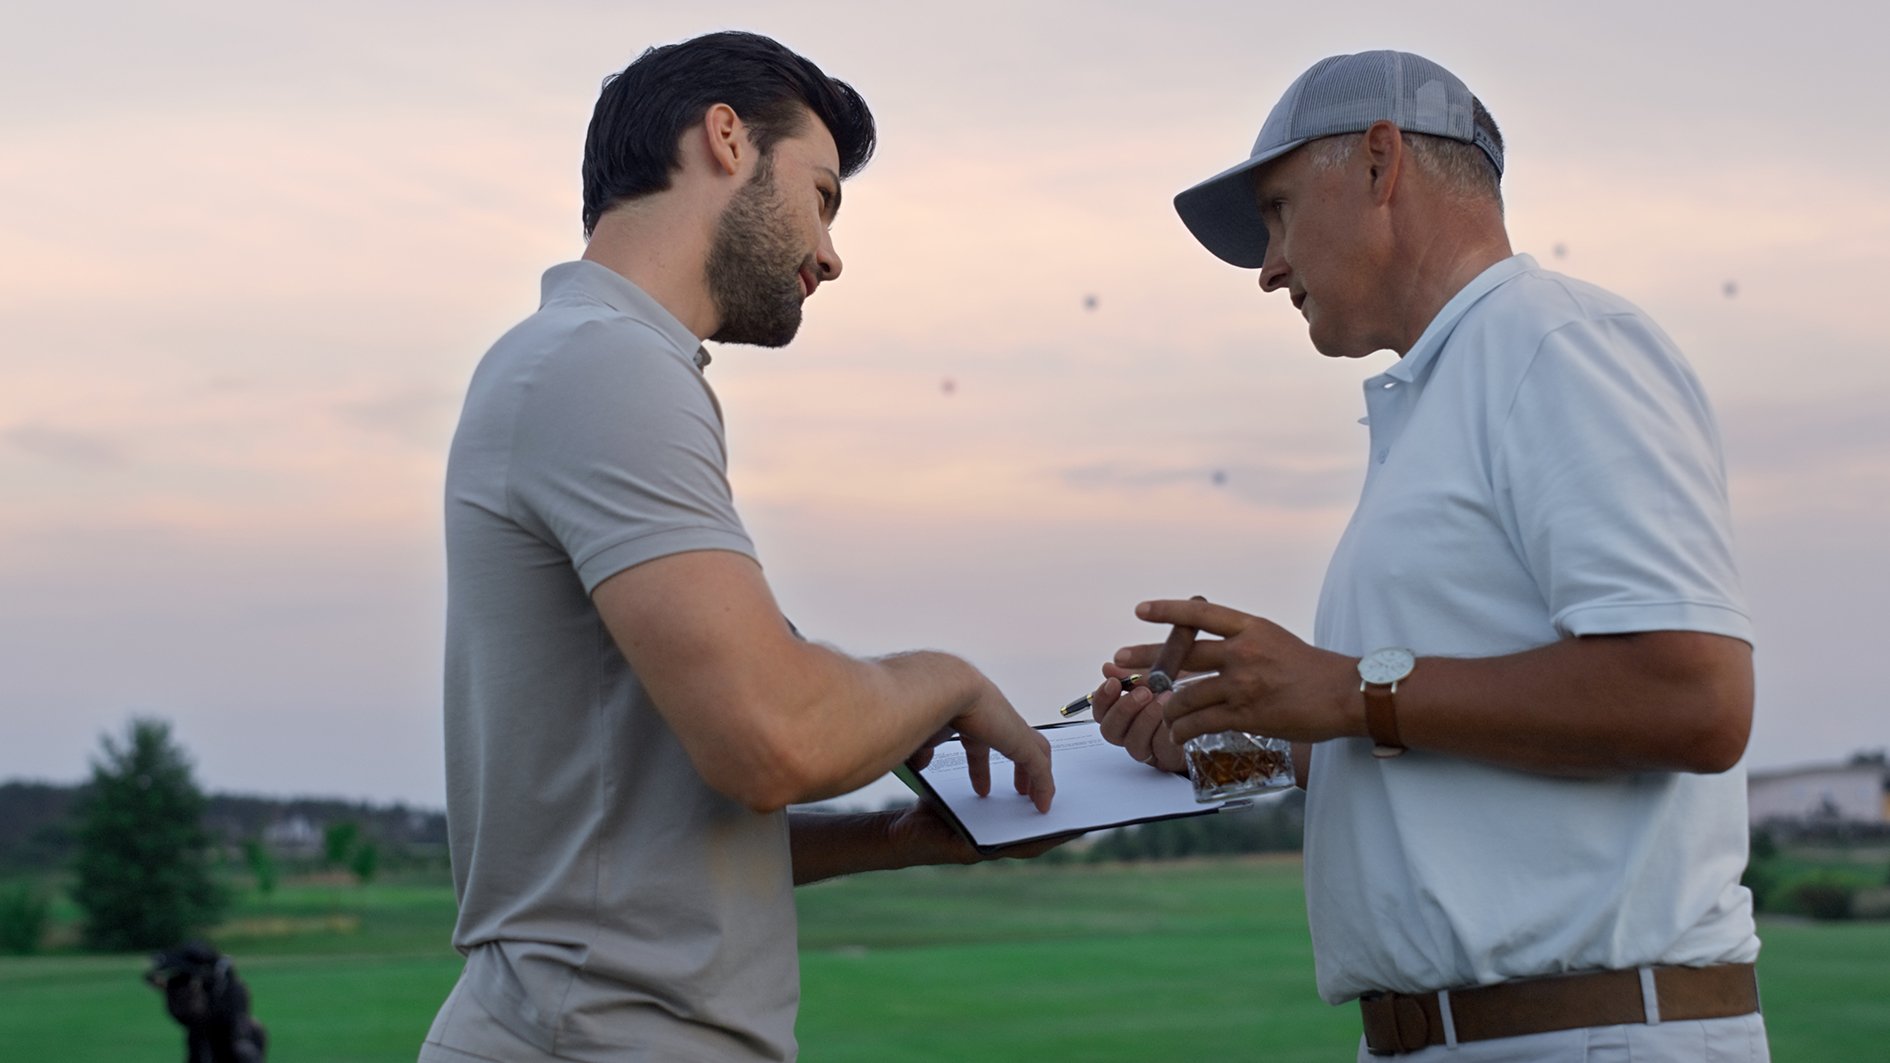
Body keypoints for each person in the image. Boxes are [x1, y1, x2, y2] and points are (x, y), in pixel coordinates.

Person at [1089, 50, 1767, 1061]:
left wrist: (1346, 685)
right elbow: (1396, 735)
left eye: (1276, 211)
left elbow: (1698, 699)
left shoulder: (1556, 345)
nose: (1269, 265)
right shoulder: (1447, 395)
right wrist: (1226, 733)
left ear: (1378, 164)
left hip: (1591, 1036)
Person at [418, 31, 1055, 1063]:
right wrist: (946, 679)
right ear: (725, 139)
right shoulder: (606, 368)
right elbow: (773, 739)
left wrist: (897, 838)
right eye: (823, 192)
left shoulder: (588, 364)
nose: (833, 252)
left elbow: (637, 840)